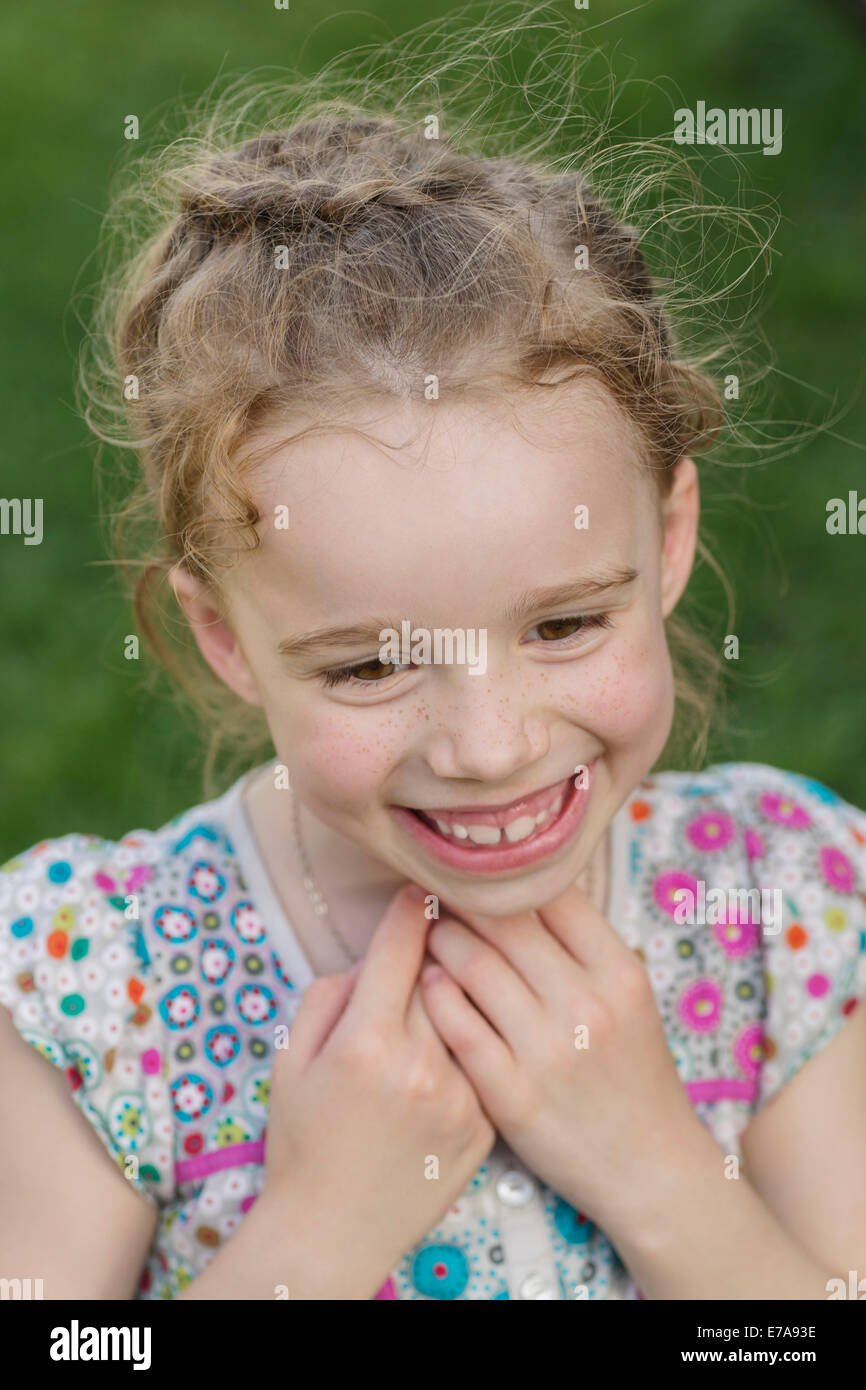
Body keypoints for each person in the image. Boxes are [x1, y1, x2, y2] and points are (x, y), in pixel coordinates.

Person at [2, 35, 864, 1301]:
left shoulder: (771, 905)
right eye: (367, 666)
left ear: (667, 540)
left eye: (563, 627)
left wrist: (663, 1178)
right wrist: (319, 1232)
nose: (488, 744)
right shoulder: (97, 981)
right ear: (225, 636)